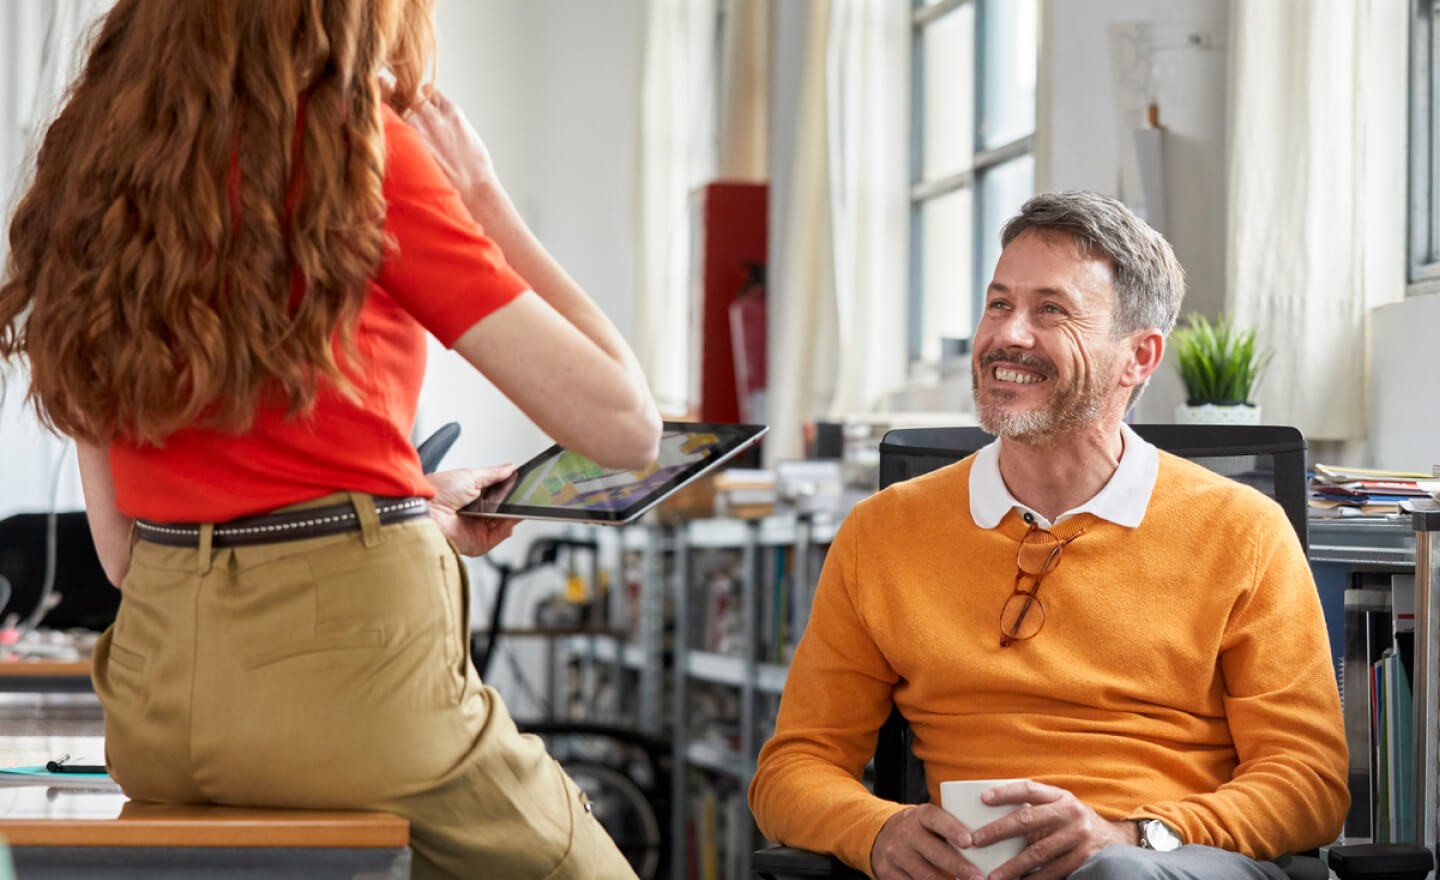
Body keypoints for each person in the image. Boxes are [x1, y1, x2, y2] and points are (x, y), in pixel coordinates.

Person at [0, 2, 660, 878]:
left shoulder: (101, 175)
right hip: (361, 713)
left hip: (156, 716)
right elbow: (624, 426)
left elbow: (124, 556)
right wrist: (486, 203)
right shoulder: (357, 154)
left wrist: (411, 510)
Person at [748, 191, 1348, 880]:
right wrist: (879, 831)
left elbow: (1309, 784)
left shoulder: (1243, 530)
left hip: (1166, 863)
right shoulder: (882, 532)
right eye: (998, 304)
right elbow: (791, 769)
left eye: (1051, 310)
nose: (1009, 335)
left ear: (1139, 357)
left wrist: (1131, 835)